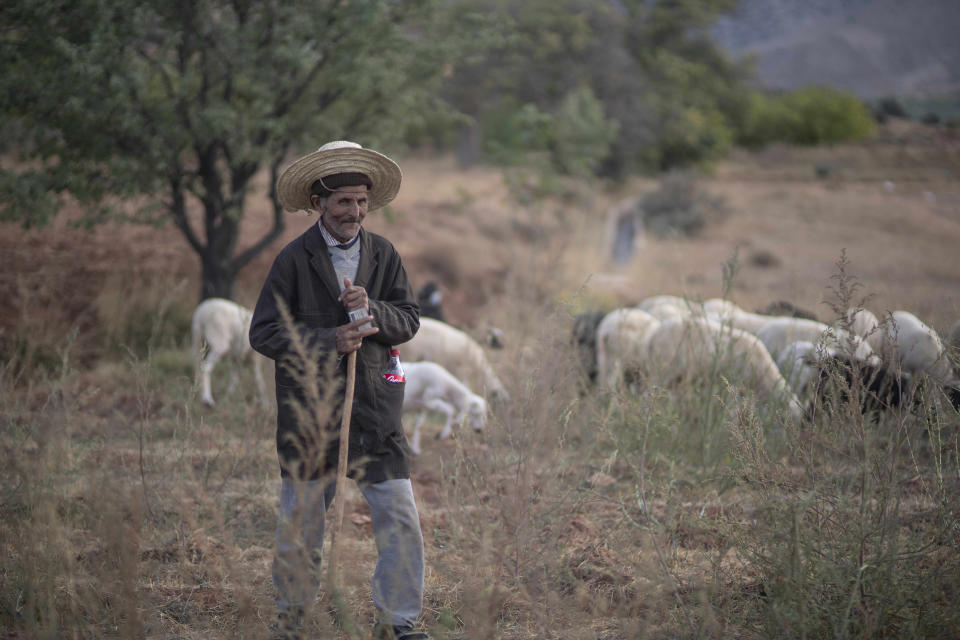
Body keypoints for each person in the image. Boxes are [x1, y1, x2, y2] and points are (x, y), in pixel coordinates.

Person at [249, 141, 428, 640]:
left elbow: (409, 319)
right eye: (345, 201)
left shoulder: (383, 255)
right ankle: (292, 616)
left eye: (362, 201)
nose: (356, 211)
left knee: (398, 516)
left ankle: (397, 622)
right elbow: (263, 332)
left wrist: (372, 313)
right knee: (302, 520)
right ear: (319, 202)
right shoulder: (293, 260)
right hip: (310, 413)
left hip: (375, 409)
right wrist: (329, 340)